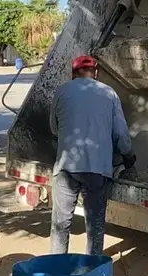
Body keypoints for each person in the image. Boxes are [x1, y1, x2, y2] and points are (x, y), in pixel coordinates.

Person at [49, 55, 136, 256]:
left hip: (66, 168)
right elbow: (120, 134)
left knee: (60, 225)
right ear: (96, 73)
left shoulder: (61, 92)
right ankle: (93, 269)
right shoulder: (109, 93)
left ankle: (56, 268)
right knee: (95, 226)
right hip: (98, 168)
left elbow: (54, 129)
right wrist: (128, 155)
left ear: (73, 73)